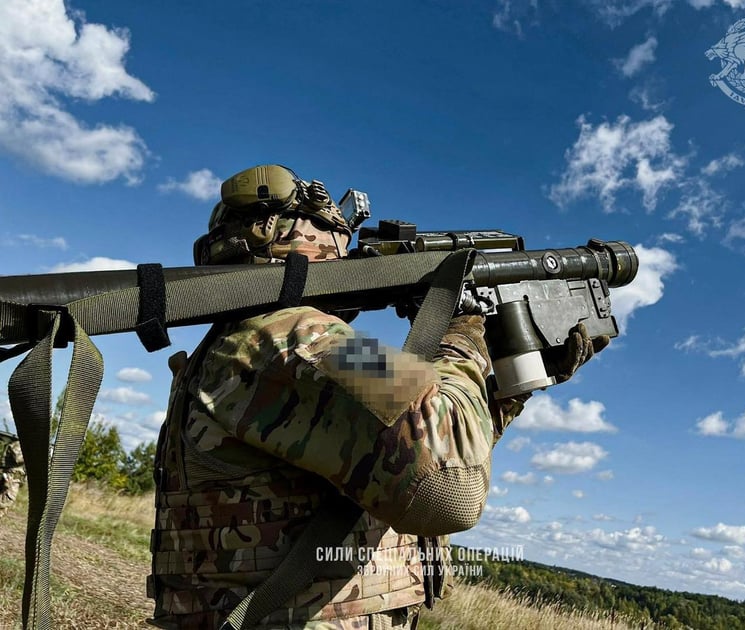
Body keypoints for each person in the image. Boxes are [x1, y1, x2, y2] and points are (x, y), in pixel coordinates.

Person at [148, 164, 608, 629]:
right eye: (338, 237)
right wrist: (463, 334)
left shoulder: (255, 342)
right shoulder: (290, 336)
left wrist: (502, 390)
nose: (348, 252)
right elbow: (449, 490)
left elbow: (418, 452)